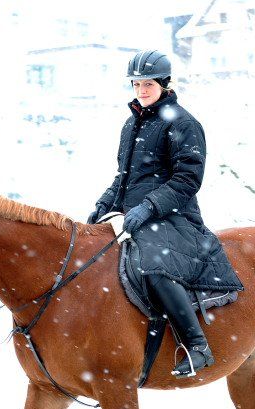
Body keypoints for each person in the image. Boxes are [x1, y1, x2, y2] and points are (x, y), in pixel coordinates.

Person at [88, 50, 244, 378]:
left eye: (148, 84)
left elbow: (188, 179)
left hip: (175, 217)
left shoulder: (184, 124)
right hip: (137, 216)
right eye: (136, 84)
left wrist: (149, 206)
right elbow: (124, 177)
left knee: (154, 265)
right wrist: (105, 203)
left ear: (163, 83)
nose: (141, 90)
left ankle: (197, 345)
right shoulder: (131, 124)